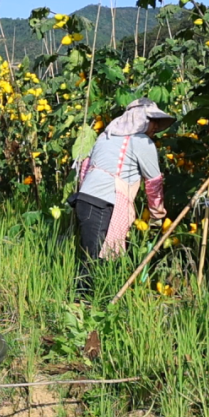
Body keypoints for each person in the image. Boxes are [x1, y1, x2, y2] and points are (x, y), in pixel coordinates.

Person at [72, 98, 175, 295]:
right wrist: (157, 214)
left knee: (91, 255)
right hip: (105, 201)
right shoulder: (141, 142)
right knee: (96, 259)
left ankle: (88, 300)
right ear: (140, 119)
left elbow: (85, 167)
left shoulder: (105, 136)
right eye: (153, 121)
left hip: (85, 199)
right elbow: (153, 182)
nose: (156, 127)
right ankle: (84, 302)